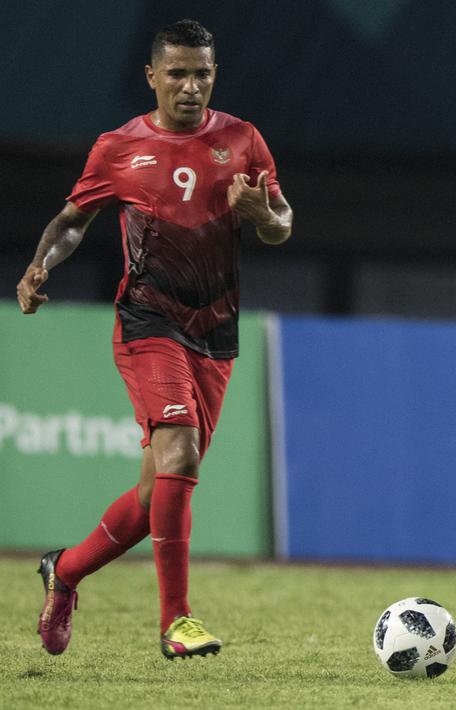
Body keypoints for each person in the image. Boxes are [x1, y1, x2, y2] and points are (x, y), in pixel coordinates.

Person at [16, 19, 292, 660]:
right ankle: (177, 621)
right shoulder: (119, 147)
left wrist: (265, 216)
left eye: (202, 74)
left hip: (214, 331)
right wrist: (39, 265)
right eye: (177, 73)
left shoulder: (243, 140)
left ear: (214, 75)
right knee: (181, 455)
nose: (191, 86)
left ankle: (65, 571)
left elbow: (281, 221)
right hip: (147, 322)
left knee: (154, 495)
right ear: (152, 76)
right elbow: (72, 220)